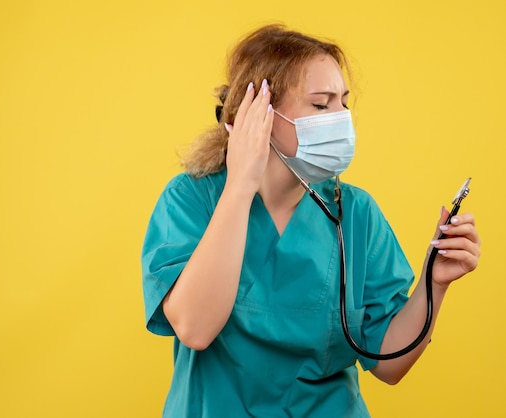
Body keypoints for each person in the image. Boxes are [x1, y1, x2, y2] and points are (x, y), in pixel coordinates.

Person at [141, 24, 481, 417]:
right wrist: (239, 186)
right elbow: (195, 329)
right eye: (321, 105)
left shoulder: (355, 213)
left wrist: (434, 284)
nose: (340, 118)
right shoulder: (192, 199)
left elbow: (389, 364)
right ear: (259, 114)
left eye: (343, 103)